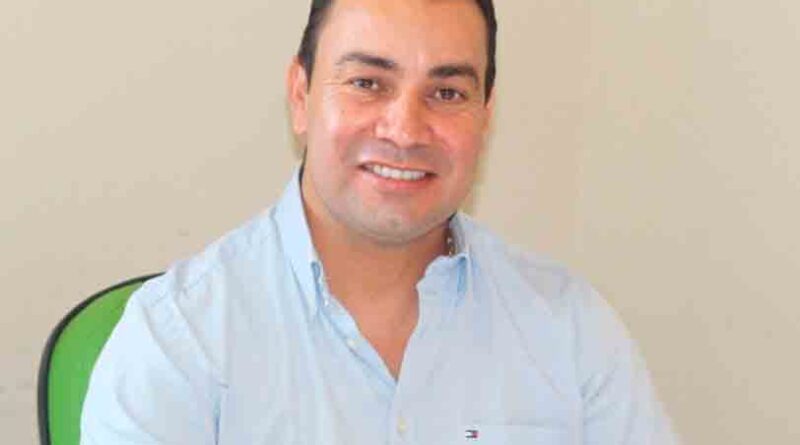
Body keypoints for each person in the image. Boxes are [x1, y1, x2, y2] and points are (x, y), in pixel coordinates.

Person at [81, 0, 679, 443]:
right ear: (300, 95)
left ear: (485, 114)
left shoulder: (571, 330)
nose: (405, 129)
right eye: (367, 83)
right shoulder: (177, 340)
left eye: (447, 93)